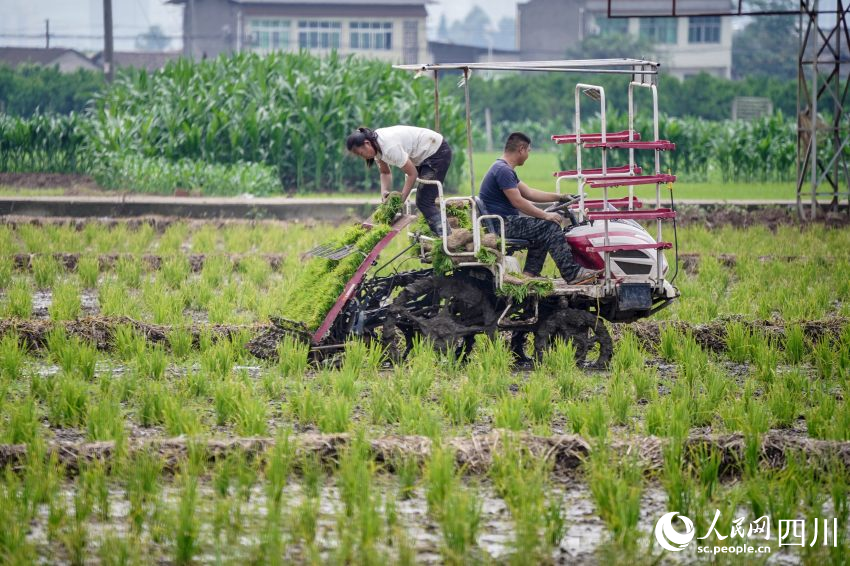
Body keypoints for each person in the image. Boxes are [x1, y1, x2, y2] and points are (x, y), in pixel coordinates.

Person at [478, 131, 600, 285]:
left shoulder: (503, 168)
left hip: (503, 222)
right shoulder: (503, 170)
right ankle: (572, 273)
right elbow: (518, 202)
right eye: (528, 150)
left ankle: (530, 274)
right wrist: (545, 215)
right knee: (549, 226)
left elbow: (529, 193)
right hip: (501, 224)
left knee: (542, 227)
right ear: (521, 149)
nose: (528, 154)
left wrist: (560, 196)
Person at [346, 125, 452, 235]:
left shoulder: (389, 147)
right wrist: (384, 195)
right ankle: (439, 234)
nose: (363, 157)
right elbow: (385, 172)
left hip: (436, 151)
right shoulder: (376, 144)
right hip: (423, 155)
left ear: (367, 143)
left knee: (424, 202)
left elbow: (412, 174)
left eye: (361, 153)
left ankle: (446, 237)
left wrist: (399, 203)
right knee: (425, 198)